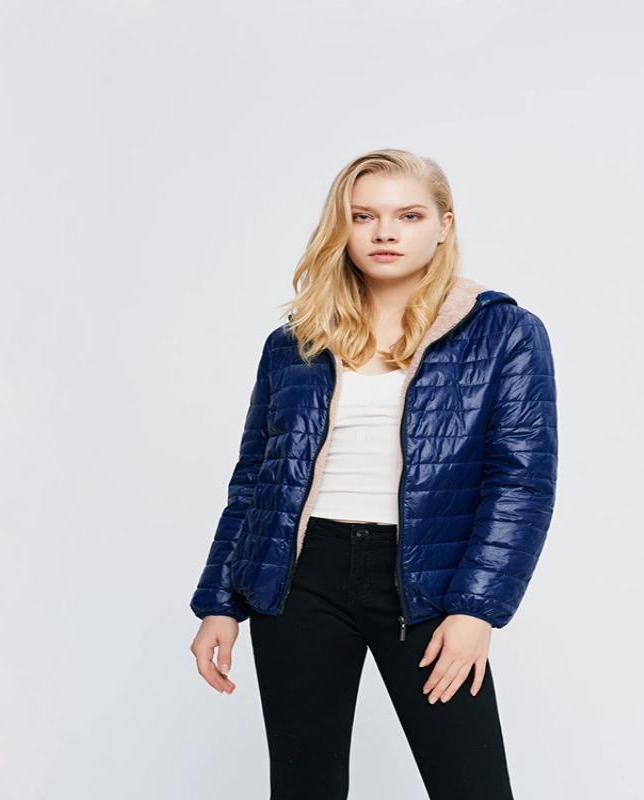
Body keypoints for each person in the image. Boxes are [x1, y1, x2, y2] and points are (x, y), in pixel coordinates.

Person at [189, 148, 558, 799]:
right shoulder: (295, 341)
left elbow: (521, 482)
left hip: (429, 582)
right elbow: (254, 481)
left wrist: (476, 609)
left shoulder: (504, 332)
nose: (385, 232)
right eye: (364, 216)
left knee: (472, 787)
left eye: (408, 215)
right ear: (343, 226)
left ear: (443, 225)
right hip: (301, 580)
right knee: (305, 786)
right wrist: (220, 602)